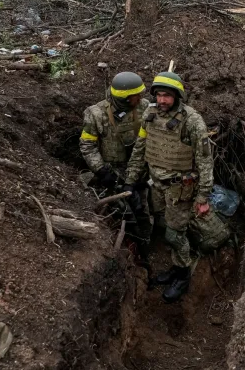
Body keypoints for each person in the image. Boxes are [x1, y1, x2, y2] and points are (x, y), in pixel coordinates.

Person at [124, 71, 214, 302]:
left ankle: (183, 274)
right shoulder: (150, 113)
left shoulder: (192, 121)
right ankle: (176, 267)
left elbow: (205, 161)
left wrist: (203, 197)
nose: (162, 100)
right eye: (159, 95)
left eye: (167, 96)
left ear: (177, 96)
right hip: (156, 185)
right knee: (165, 227)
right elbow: (140, 148)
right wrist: (131, 180)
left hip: (179, 189)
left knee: (175, 234)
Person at [79, 72, 152, 260]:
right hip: (112, 172)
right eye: (136, 95)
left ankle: (146, 243)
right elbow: (87, 145)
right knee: (123, 212)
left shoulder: (144, 108)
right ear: (125, 99)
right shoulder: (96, 114)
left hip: (138, 169)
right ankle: (129, 247)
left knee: (142, 208)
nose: (141, 98)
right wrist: (101, 169)